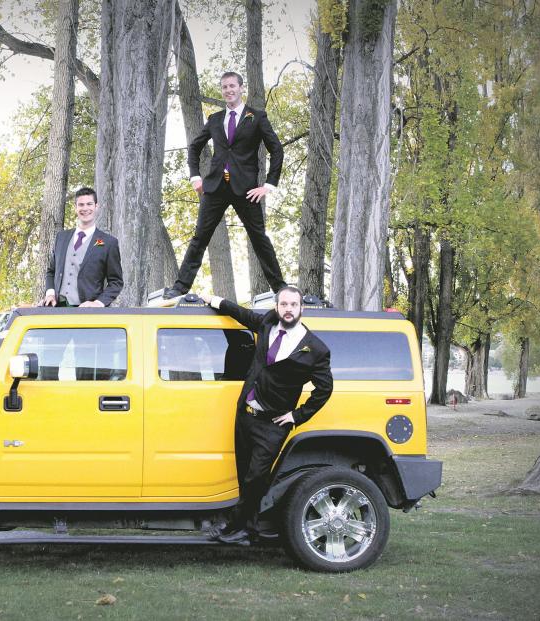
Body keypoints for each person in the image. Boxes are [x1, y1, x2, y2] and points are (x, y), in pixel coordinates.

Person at [206, 286, 332, 544]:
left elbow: (325, 389)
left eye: (293, 305)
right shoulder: (266, 323)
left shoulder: (315, 348)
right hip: (246, 415)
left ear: (301, 308)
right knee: (244, 474)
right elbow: (241, 314)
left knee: (255, 477)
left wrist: (297, 416)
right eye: (283, 304)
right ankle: (248, 529)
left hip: (273, 424)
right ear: (277, 306)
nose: (288, 309)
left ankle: (233, 525)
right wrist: (213, 300)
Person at [164, 71, 287, 299]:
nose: (228, 91)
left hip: (247, 190)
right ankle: (179, 287)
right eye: (224, 87)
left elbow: (277, 150)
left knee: (259, 238)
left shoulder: (257, 117)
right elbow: (194, 147)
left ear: (241, 88)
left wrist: (268, 186)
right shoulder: (215, 119)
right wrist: (195, 177)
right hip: (215, 187)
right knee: (200, 237)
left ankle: (280, 288)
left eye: (232, 86)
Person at [39, 187, 124, 307]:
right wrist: (50, 294)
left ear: (96, 206)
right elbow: (51, 271)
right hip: (57, 310)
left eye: (89, 204)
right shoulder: (61, 238)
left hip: (87, 313)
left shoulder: (109, 243)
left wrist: (98, 303)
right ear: (76, 208)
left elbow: (116, 282)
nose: (85, 208)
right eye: (81, 205)